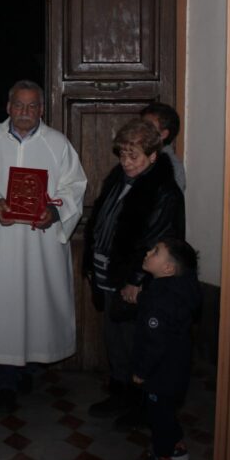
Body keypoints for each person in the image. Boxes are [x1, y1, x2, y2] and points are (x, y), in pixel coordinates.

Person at [0, 80, 87, 414]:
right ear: (8, 107)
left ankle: (30, 370)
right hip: (3, 242)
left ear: (41, 110)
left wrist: (56, 211)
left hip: (40, 243)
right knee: (4, 308)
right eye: (19, 105)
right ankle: (4, 382)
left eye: (32, 106)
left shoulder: (57, 143)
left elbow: (75, 185)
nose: (24, 112)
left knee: (38, 306)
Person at [82, 118, 184, 428]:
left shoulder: (164, 191)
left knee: (140, 342)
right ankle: (120, 393)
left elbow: (157, 242)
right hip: (109, 274)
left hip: (135, 281)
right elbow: (104, 219)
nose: (126, 162)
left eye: (133, 156)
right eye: (123, 154)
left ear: (154, 155)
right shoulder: (119, 178)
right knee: (116, 338)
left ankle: (142, 404)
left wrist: (135, 281)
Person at [130, 238, 202, 460]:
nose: (148, 252)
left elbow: (155, 343)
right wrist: (141, 299)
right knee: (168, 410)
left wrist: (142, 371)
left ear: (168, 269)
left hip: (161, 372)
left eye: (155, 252)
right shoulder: (180, 290)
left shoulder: (161, 300)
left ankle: (161, 459)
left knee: (158, 415)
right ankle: (177, 445)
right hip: (178, 369)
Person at [140, 102, 186, 191]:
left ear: (163, 134)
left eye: (148, 127)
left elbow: (170, 202)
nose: (140, 130)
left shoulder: (172, 167)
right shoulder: (137, 156)